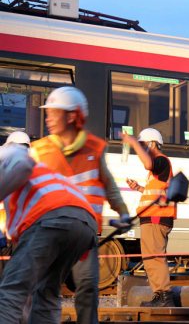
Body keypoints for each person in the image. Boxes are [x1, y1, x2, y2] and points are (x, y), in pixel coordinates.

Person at [30, 86, 130, 324]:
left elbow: (108, 185)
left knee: (87, 289)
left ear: (72, 116)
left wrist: (123, 211)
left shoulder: (93, 151)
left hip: (83, 238)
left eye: (54, 113)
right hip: (50, 234)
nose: (48, 119)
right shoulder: (39, 151)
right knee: (45, 289)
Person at [0, 144, 97, 324]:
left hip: (51, 218)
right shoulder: (43, 176)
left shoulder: (7, 155)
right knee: (47, 292)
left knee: (12, 290)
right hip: (84, 222)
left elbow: (22, 163)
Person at [121, 127, 175, 307]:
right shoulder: (158, 168)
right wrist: (138, 188)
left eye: (144, 145)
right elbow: (158, 195)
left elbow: (148, 164)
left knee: (154, 258)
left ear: (152, 144)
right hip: (152, 219)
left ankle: (164, 297)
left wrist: (133, 142)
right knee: (150, 259)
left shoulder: (161, 161)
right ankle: (159, 294)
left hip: (156, 219)